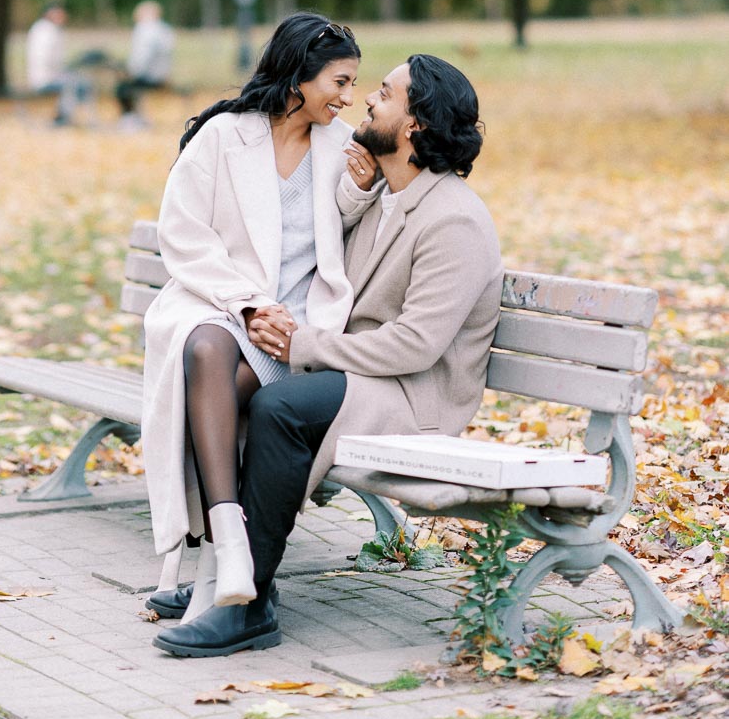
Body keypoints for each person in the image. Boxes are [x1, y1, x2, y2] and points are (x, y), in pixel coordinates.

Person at [152, 53, 504, 657]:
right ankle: (220, 579)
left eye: (387, 95)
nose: (369, 99)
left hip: (415, 398)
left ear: (414, 124)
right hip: (367, 378)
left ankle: (252, 602)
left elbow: (417, 344)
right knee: (227, 381)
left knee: (280, 406)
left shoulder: (455, 220)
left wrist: (304, 345)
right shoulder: (384, 196)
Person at [140, 13, 378, 630]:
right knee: (205, 351)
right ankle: (231, 541)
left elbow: (341, 238)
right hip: (216, 301)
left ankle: (218, 561)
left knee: (213, 393)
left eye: (354, 84)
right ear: (299, 75)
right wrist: (246, 303)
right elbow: (184, 236)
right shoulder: (224, 136)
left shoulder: (341, 145)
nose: (348, 96)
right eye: (340, 81)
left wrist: (359, 192)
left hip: (291, 324)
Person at [24, 3, 85, 126]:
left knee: (76, 82)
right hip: (46, 77)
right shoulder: (47, 31)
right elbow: (47, 59)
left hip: (47, 75)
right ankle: (63, 118)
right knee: (78, 84)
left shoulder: (44, 29)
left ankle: (63, 116)